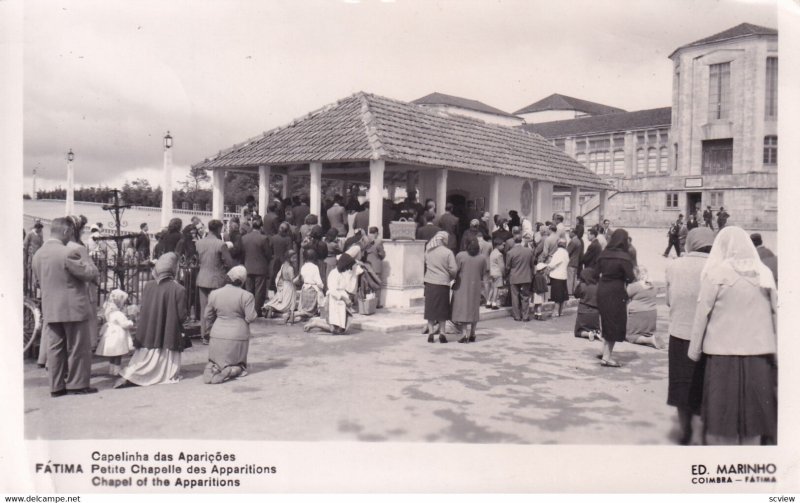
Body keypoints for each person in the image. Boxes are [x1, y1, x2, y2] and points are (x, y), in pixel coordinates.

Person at [688, 227, 777, 445]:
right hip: (759, 355)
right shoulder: (764, 273)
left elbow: (702, 315)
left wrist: (694, 351)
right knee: (754, 419)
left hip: (722, 355)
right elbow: (776, 313)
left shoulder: (715, 274)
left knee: (722, 420)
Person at [32, 217, 100, 396]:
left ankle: (56, 386)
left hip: (51, 308)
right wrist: (92, 267)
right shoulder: (67, 253)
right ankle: (77, 384)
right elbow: (88, 274)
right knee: (78, 347)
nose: (70, 235)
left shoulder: (38, 254)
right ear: (65, 231)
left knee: (55, 348)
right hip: (73, 308)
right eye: (70, 232)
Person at [665, 227, 714, 445]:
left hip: (679, 333)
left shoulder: (674, 265)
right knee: (705, 387)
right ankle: (703, 435)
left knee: (680, 385)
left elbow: (668, 300)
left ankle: (685, 432)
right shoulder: (716, 267)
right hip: (707, 338)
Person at [116, 253, 187, 388]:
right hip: (167, 334)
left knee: (142, 359)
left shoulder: (148, 286)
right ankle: (138, 376)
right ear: (174, 268)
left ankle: (132, 374)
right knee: (163, 368)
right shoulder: (179, 289)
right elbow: (181, 316)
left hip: (148, 332)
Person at [203, 265, 257, 384]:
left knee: (215, 361)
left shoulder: (214, 293)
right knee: (239, 365)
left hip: (217, 334)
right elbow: (251, 317)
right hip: (238, 335)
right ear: (242, 280)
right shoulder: (247, 296)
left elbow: (207, 316)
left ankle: (213, 368)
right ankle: (232, 370)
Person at [595, 228, 636, 367]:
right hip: (616, 291)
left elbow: (595, 272)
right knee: (614, 322)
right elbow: (631, 277)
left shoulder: (604, 254)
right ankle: (606, 357)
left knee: (605, 320)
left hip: (602, 289)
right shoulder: (624, 257)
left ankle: (603, 351)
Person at [304, 252, 363, 334]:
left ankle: (319, 325)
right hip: (334, 301)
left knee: (340, 329)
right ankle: (316, 324)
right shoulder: (334, 274)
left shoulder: (342, 274)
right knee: (335, 328)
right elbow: (332, 290)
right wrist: (344, 298)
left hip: (341, 302)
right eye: (347, 267)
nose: (348, 269)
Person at [196, 219, 235, 344]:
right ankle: (214, 333)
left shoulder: (199, 242)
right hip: (217, 279)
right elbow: (229, 262)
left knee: (204, 308)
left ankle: (204, 334)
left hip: (202, 277)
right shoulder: (220, 244)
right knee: (217, 308)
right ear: (219, 229)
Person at [423, 231, 457, 343]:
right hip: (443, 283)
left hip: (429, 282)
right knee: (443, 309)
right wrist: (451, 276)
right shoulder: (448, 252)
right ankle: (442, 333)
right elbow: (454, 269)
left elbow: (425, 264)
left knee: (430, 308)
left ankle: (431, 332)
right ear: (444, 240)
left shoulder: (428, 251)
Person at [451, 239, 487, 343]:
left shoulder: (460, 255)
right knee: (474, 309)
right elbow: (483, 272)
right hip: (475, 285)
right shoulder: (482, 258)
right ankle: (473, 333)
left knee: (463, 309)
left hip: (462, 285)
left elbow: (455, 270)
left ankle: (464, 334)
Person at [95, 289, 135, 376]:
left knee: (113, 354)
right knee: (118, 353)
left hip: (110, 334)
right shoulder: (118, 314)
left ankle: (111, 369)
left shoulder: (109, 312)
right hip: (118, 335)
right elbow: (124, 324)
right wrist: (131, 322)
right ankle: (117, 370)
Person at [241, 216, 273, 314]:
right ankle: (256, 310)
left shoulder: (244, 238)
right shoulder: (263, 238)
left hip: (248, 266)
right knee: (259, 290)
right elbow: (268, 253)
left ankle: (248, 309)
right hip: (260, 267)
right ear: (261, 227)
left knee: (249, 289)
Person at [625, 267, 661, 349]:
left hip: (638, 313)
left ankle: (650, 340)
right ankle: (649, 336)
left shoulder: (634, 286)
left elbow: (624, 296)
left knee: (629, 336)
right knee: (645, 333)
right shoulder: (653, 285)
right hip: (652, 313)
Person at [505, 227, 535, 322]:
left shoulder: (510, 253)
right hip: (526, 276)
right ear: (521, 240)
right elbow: (532, 265)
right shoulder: (529, 251)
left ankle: (517, 316)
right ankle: (525, 316)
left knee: (515, 296)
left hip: (514, 277)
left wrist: (506, 275)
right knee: (525, 296)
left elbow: (507, 267)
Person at [264, 249, 298, 323]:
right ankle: (291, 317)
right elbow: (293, 281)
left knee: (284, 301)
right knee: (290, 303)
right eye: (294, 258)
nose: (295, 260)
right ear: (289, 258)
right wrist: (299, 277)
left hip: (284, 285)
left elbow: (280, 276)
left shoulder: (283, 265)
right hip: (290, 286)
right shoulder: (290, 268)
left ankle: (271, 308)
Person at [295, 249, 325, 320]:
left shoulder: (303, 267)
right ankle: (295, 314)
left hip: (305, 288)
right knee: (320, 297)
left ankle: (297, 314)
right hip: (312, 289)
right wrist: (322, 286)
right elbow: (318, 281)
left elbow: (302, 279)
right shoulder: (315, 267)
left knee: (306, 309)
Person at [573, 268, 600, 340]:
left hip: (583, 311)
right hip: (595, 312)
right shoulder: (598, 286)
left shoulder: (582, 285)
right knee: (595, 328)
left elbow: (576, 295)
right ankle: (596, 333)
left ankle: (587, 334)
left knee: (578, 331)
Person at [363, 227, 386, 308]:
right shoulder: (378, 242)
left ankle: (369, 302)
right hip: (376, 265)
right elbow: (382, 254)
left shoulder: (365, 241)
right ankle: (376, 303)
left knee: (368, 284)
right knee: (377, 285)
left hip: (367, 265)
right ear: (376, 233)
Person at [548, 238, 569, 317]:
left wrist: (548, 266)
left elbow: (552, 264)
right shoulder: (566, 252)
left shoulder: (558, 253)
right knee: (562, 296)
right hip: (563, 275)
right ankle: (560, 311)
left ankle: (555, 311)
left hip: (557, 276)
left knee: (557, 296)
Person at [486, 238, 505, 310]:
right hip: (497, 273)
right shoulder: (499, 254)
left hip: (492, 272)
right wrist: (504, 273)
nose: (503, 247)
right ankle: (494, 303)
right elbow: (501, 266)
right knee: (496, 288)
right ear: (498, 245)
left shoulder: (492, 253)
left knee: (492, 287)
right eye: (502, 245)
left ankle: (488, 302)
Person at [566, 228, 583, 296]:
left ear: (573, 233)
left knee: (570, 278)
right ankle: (573, 291)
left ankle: (569, 292)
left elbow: (567, 252)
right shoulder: (578, 241)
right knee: (573, 278)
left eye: (570, 232)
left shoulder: (573, 241)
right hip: (576, 262)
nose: (569, 234)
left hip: (571, 261)